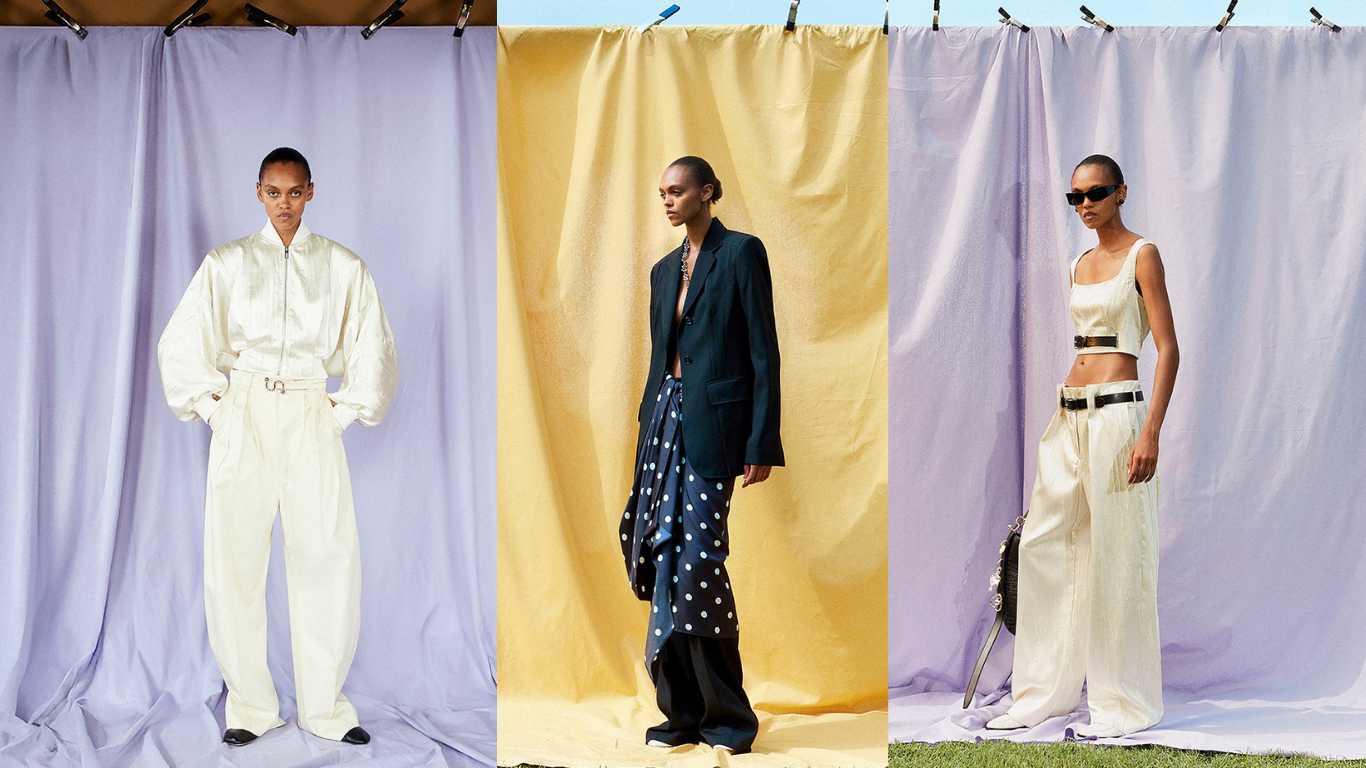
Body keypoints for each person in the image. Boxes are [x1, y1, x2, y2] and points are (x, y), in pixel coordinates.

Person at [158, 147, 398, 747]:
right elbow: (185, 339)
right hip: (245, 411)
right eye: (273, 192)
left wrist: (340, 415)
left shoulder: (344, 266)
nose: (284, 203)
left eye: (295, 192)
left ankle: (325, 709)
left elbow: (373, 345)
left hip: (311, 413)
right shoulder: (228, 263)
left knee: (326, 556)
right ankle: (251, 708)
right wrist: (217, 412)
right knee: (232, 561)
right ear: (258, 192)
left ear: (310, 192)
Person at [987, 154, 1178, 739]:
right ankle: (1043, 694)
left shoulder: (1143, 254)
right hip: (1069, 415)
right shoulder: (1079, 262)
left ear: (1121, 192)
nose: (1085, 204)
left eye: (1095, 192)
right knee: (1046, 545)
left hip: (1120, 416)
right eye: (1075, 197)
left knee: (1119, 553)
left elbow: (1168, 348)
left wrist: (1151, 432)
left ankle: (1123, 703)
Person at [618, 156, 783, 755]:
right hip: (664, 424)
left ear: (707, 192)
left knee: (698, 564)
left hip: (716, 429)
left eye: (678, 191)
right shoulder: (664, 270)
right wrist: (645, 435)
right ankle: (681, 714)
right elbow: (662, 360)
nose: (667, 200)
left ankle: (728, 720)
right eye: (661, 192)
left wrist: (760, 441)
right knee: (663, 560)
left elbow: (764, 351)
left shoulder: (741, 252)